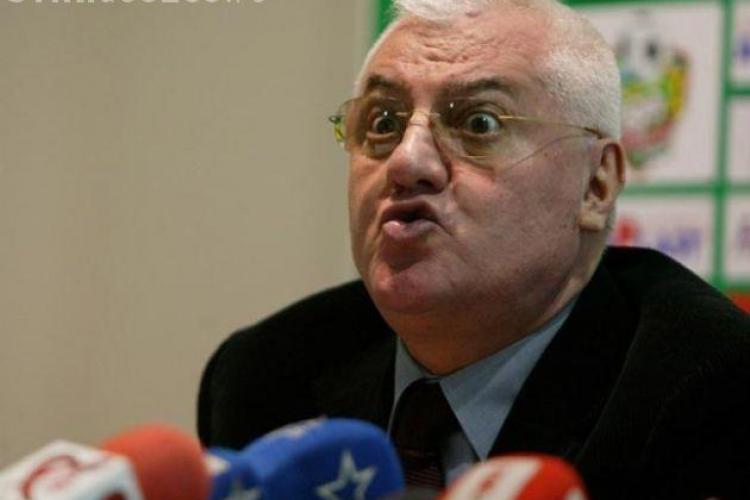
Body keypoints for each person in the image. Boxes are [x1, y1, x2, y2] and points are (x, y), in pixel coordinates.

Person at [197, 0, 750, 497]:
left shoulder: (711, 389)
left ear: (595, 186)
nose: (407, 161)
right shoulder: (266, 378)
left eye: (479, 123)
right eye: (383, 122)